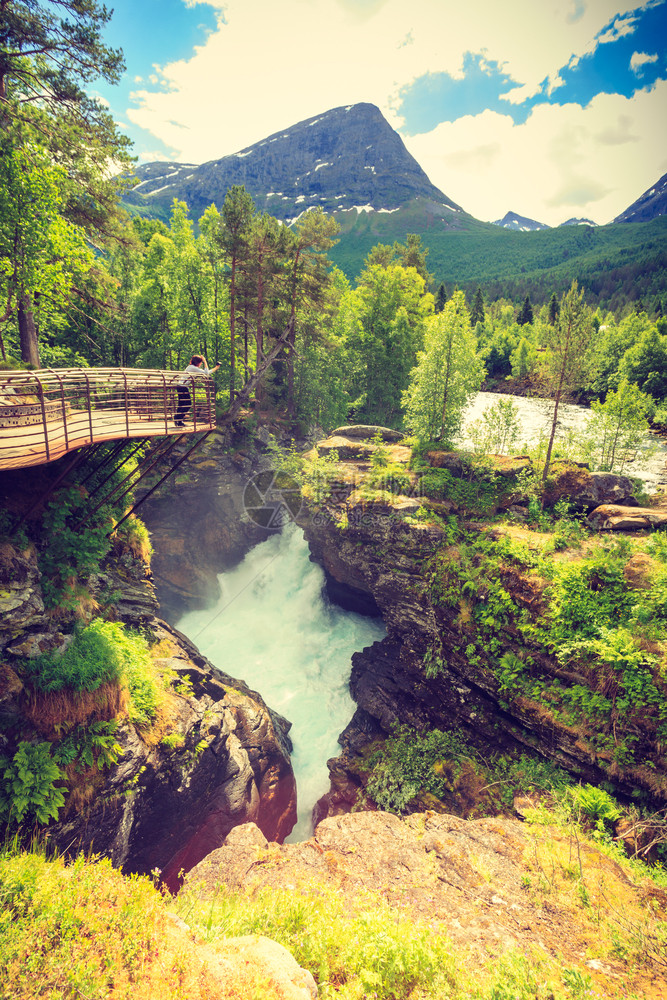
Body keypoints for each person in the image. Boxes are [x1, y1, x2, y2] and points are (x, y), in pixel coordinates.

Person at [174, 355, 220, 426]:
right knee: (188, 404)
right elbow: (206, 373)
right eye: (201, 362)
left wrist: (216, 368)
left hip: (181, 386)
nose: (201, 364)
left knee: (182, 404)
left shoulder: (192, 367)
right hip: (182, 386)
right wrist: (205, 361)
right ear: (198, 362)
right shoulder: (192, 368)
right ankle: (178, 418)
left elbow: (207, 372)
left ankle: (178, 421)